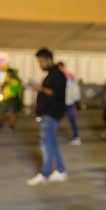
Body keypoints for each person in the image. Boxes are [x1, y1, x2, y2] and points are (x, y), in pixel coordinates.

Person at [27, 48, 68, 186]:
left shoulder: (58, 75)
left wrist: (41, 89)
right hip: (47, 113)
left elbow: (58, 94)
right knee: (52, 144)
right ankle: (61, 171)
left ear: (48, 60)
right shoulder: (50, 74)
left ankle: (44, 173)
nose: (40, 65)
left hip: (51, 113)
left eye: (41, 61)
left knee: (45, 145)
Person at [57, 62, 82, 145]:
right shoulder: (69, 76)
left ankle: (76, 136)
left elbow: (74, 89)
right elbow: (76, 89)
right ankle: (76, 136)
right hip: (67, 101)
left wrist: (77, 100)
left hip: (65, 101)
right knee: (70, 119)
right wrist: (77, 99)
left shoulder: (62, 77)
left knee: (54, 118)